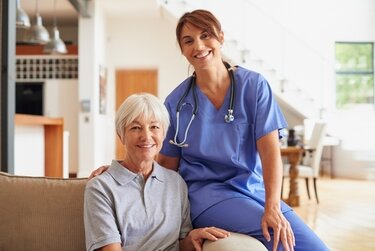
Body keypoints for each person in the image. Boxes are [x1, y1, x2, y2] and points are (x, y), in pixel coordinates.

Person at [90, 9, 329, 251]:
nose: (198, 46)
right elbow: (163, 163)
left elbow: (270, 154)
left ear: (221, 38)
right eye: (188, 40)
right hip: (206, 196)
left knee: (316, 246)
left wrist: (273, 206)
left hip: (252, 189)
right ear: (182, 50)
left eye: (206, 36)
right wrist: (121, 168)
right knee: (283, 240)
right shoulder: (176, 102)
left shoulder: (254, 87)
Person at [84, 93, 230, 251]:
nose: (146, 136)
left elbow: (178, 245)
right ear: (121, 135)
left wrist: (192, 239)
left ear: (164, 134)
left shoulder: (176, 182)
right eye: (135, 128)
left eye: (154, 127)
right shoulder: (100, 187)